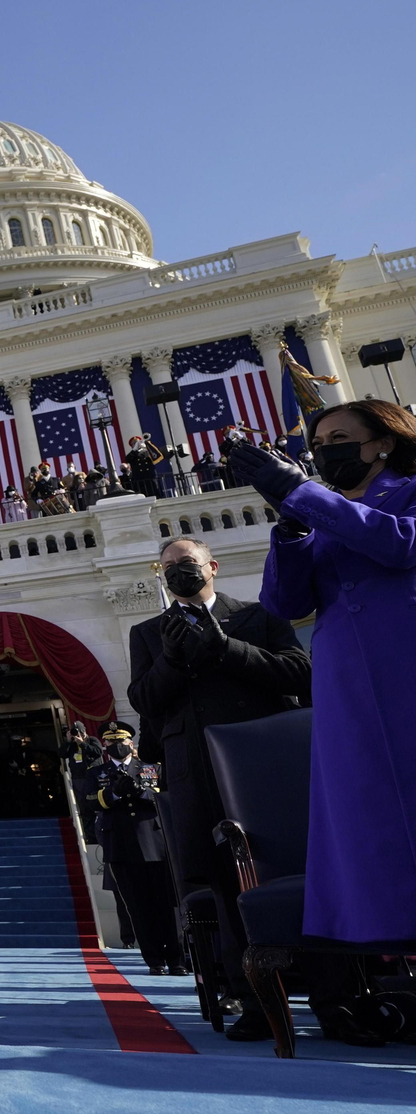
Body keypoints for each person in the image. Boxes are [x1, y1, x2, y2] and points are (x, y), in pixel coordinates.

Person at [232, 401, 416, 950]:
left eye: (340, 436)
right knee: (368, 810)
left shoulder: (405, 492)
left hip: (403, 663)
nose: (325, 449)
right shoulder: (321, 510)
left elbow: (400, 544)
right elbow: (284, 603)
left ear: (383, 442)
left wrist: (306, 496)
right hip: (347, 685)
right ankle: (387, 940)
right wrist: (290, 528)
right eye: (318, 443)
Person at [127, 535, 309, 1039]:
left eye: (186, 564)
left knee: (296, 867)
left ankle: (334, 994)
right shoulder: (149, 632)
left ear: (212, 566)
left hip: (265, 766)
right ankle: (252, 998)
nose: (178, 573)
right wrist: (174, 658)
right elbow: (144, 699)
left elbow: (300, 672)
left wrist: (226, 650)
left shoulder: (257, 617)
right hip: (198, 773)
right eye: (167, 568)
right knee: (227, 883)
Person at [84, 724, 185, 974]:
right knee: (137, 907)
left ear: (131, 743)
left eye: (122, 741)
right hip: (120, 846)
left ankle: (176, 958)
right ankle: (155, 960)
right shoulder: (98, 772)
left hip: (154, 843)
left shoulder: (150, 766)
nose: (118, 746)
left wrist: (143, 793)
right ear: (105, 747)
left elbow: (167, 794)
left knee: (167, 904)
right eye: (111, 742)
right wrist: (113, 795)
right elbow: (88, 801)